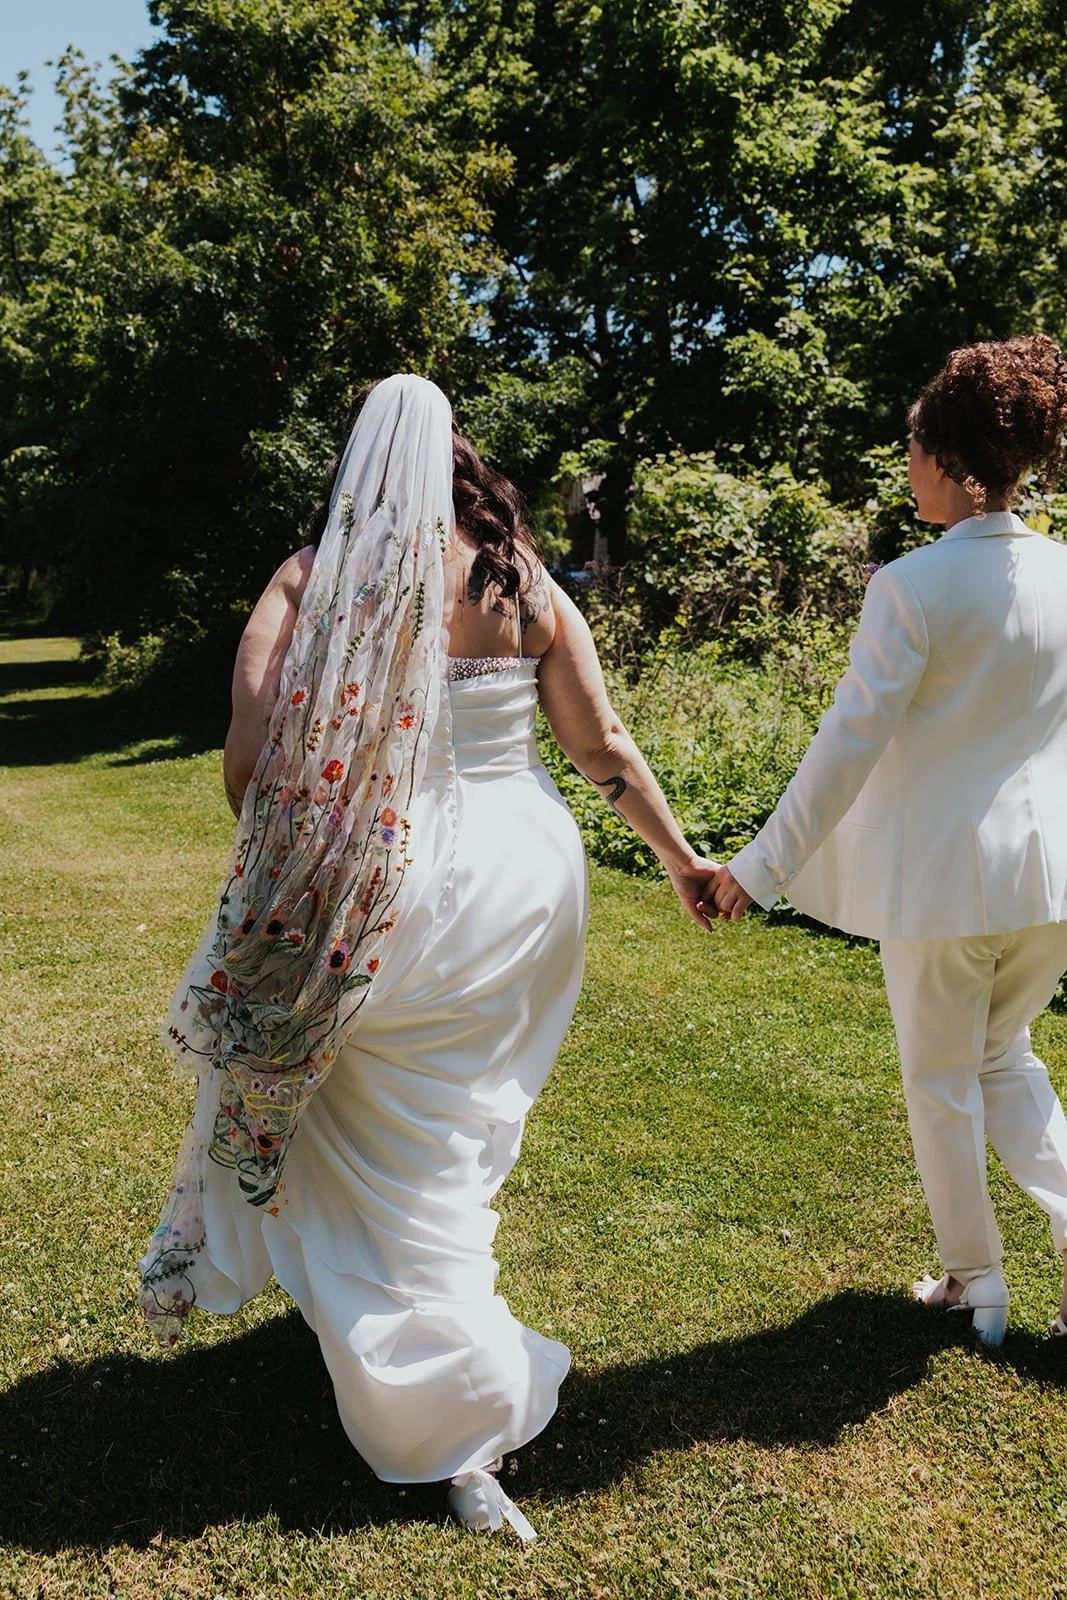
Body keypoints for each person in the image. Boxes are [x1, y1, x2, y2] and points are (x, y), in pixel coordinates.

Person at [138, 374, 717, 1537]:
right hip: (521, 886)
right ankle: (433, 1353)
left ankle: (435, 1395)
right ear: (458, 456)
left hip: (378, 894)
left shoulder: (312, 582)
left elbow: (248, 766)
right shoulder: (526, 584)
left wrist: (304, 854)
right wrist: (681, 858)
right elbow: (600, 745)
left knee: (366, 1136)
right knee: (452, 1137)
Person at [705, 334, 1067, 1348]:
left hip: (949, 885)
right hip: (1053, 882)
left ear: (946, 461)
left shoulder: (909, 586)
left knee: (940, 1078)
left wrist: (755, 869)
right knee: (1002, 1057)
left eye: (910, 445)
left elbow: (844, 746)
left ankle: (974, 1282)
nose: (902, 463)